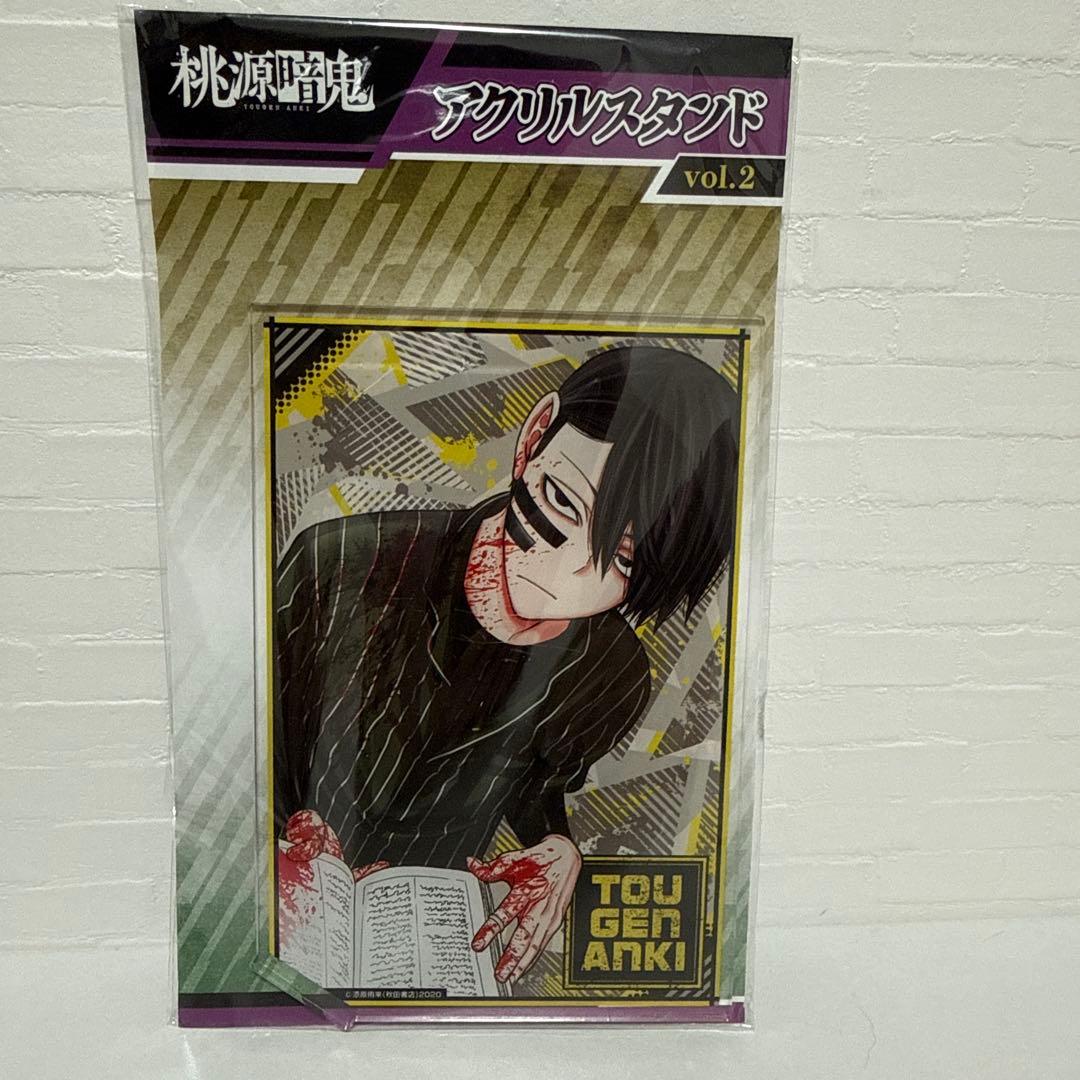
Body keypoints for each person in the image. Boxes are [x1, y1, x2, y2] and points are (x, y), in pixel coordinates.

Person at [274, 344, 739, 984]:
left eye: (621, 559)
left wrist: (556, 847)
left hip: (433, 946)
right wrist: (283, 846)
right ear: (534, 437)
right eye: (561, 500)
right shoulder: (338, 567)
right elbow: (243, 752)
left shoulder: (612, 673)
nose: (562, 571)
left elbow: (533, 781)